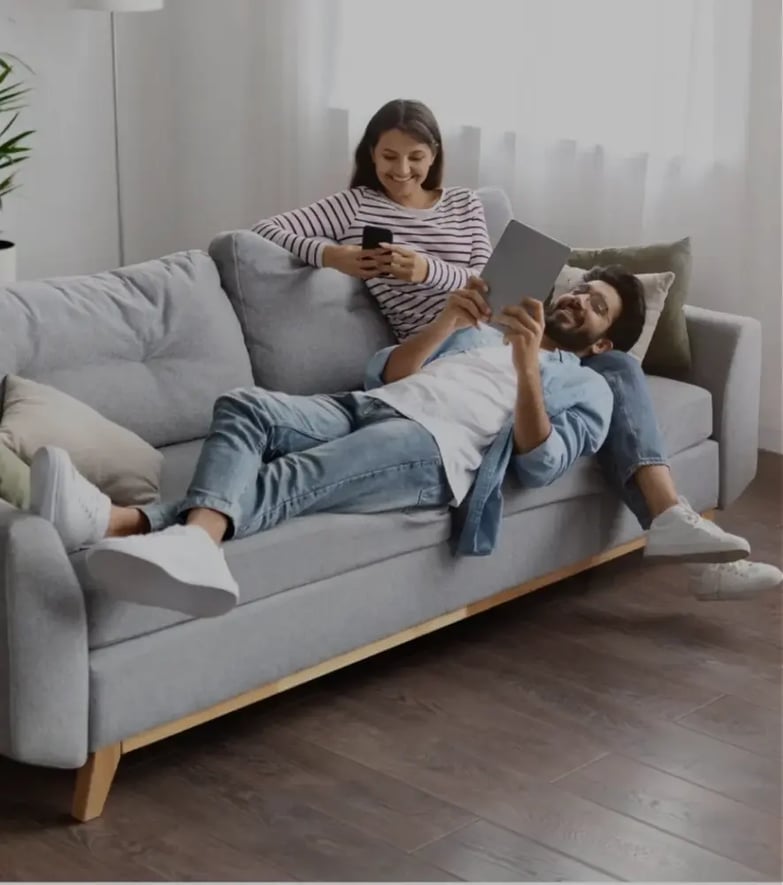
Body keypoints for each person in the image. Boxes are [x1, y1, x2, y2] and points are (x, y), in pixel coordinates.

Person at [29, 267, 780, 618]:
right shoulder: (481, 329)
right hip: (372, 403)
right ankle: (178, 536)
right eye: (577, 289)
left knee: (298, 476)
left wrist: (525, 371)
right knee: (246, 406)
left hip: (432, 452)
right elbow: (384, 370)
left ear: (602, 337)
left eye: (595, 305)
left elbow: (544, 462)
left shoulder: (586, 384)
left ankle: (122, 523)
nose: (576, 299)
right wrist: (451, 321)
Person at [252, 98, 773, 597]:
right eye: (388, 156)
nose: (402, 170)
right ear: (370, 153)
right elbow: (262, 232)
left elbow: (487, 282)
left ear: (435, 156)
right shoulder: (356, 204)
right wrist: (334, 256)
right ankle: (673, 525)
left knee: (610, 370)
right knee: (613, 370)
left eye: (416, 157)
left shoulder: (463, 204)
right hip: (443, 346)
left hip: (488, 322)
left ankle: (676, 530)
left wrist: (426, 268)